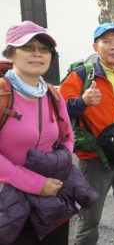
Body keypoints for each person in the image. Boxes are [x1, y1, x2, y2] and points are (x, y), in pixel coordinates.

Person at [60, 23, 114, 245]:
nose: (113, 46)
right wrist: (82, 102)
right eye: (106, 41)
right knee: (90, 216)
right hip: (95, 159)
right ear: (95, 47)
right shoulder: (81, 76)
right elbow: (59, 111)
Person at [0, 21, 75, 245]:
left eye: (44, 48)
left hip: (51, 201)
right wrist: (35, 184)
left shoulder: (53, 94)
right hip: (9, 205)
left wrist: (58, 165)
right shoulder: (2, 94)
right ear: (11, 54)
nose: (37, 53)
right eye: (28, 46)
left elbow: (67, 138)